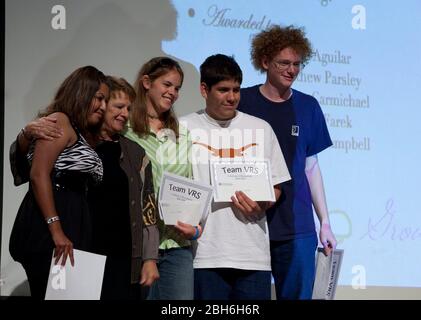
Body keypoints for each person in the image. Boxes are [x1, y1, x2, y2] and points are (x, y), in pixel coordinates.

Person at [10, 76, 160, 300]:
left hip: (119, 253)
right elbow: (32, 170)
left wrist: (149, 258)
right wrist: (25, 134)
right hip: (78, 245)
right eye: (118, 106)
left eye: (129, 108)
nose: (125, 114)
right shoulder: (78, 138)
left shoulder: (135, 153)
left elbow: (147, 207)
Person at [237, 25, 337, 300]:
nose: (291, 70)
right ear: (265, 61)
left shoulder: (308, 106)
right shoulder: (242, 101)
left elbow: (311, 167)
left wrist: (325, 222)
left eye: (296, 64)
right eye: (284, 63)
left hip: (297, 227)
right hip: (248, 222)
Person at [180, 54, 291, 300]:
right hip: (204, 254)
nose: (232, 97)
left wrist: (264, 203)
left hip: (252, 256)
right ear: (203, 89)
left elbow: (277, 184)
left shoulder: (260, 128)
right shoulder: (183, 128)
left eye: (236, 90)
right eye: (223, 90)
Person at [8, 66, 107, 299]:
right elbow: (38, 174)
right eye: (99, 98)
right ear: (82, 93)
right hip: (52, 224)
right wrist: (56, 230)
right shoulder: (60, 121)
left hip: (72, 220)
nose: (103, 107)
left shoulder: (79, 131)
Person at [124, 57, 201, 300]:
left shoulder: (182, 135)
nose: (173, 93)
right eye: (167, 85)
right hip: (136, 244)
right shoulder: (124, 129)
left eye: (177, 88)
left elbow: (193, 185)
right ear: (147, 82)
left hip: (176, 245)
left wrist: (196, 227)